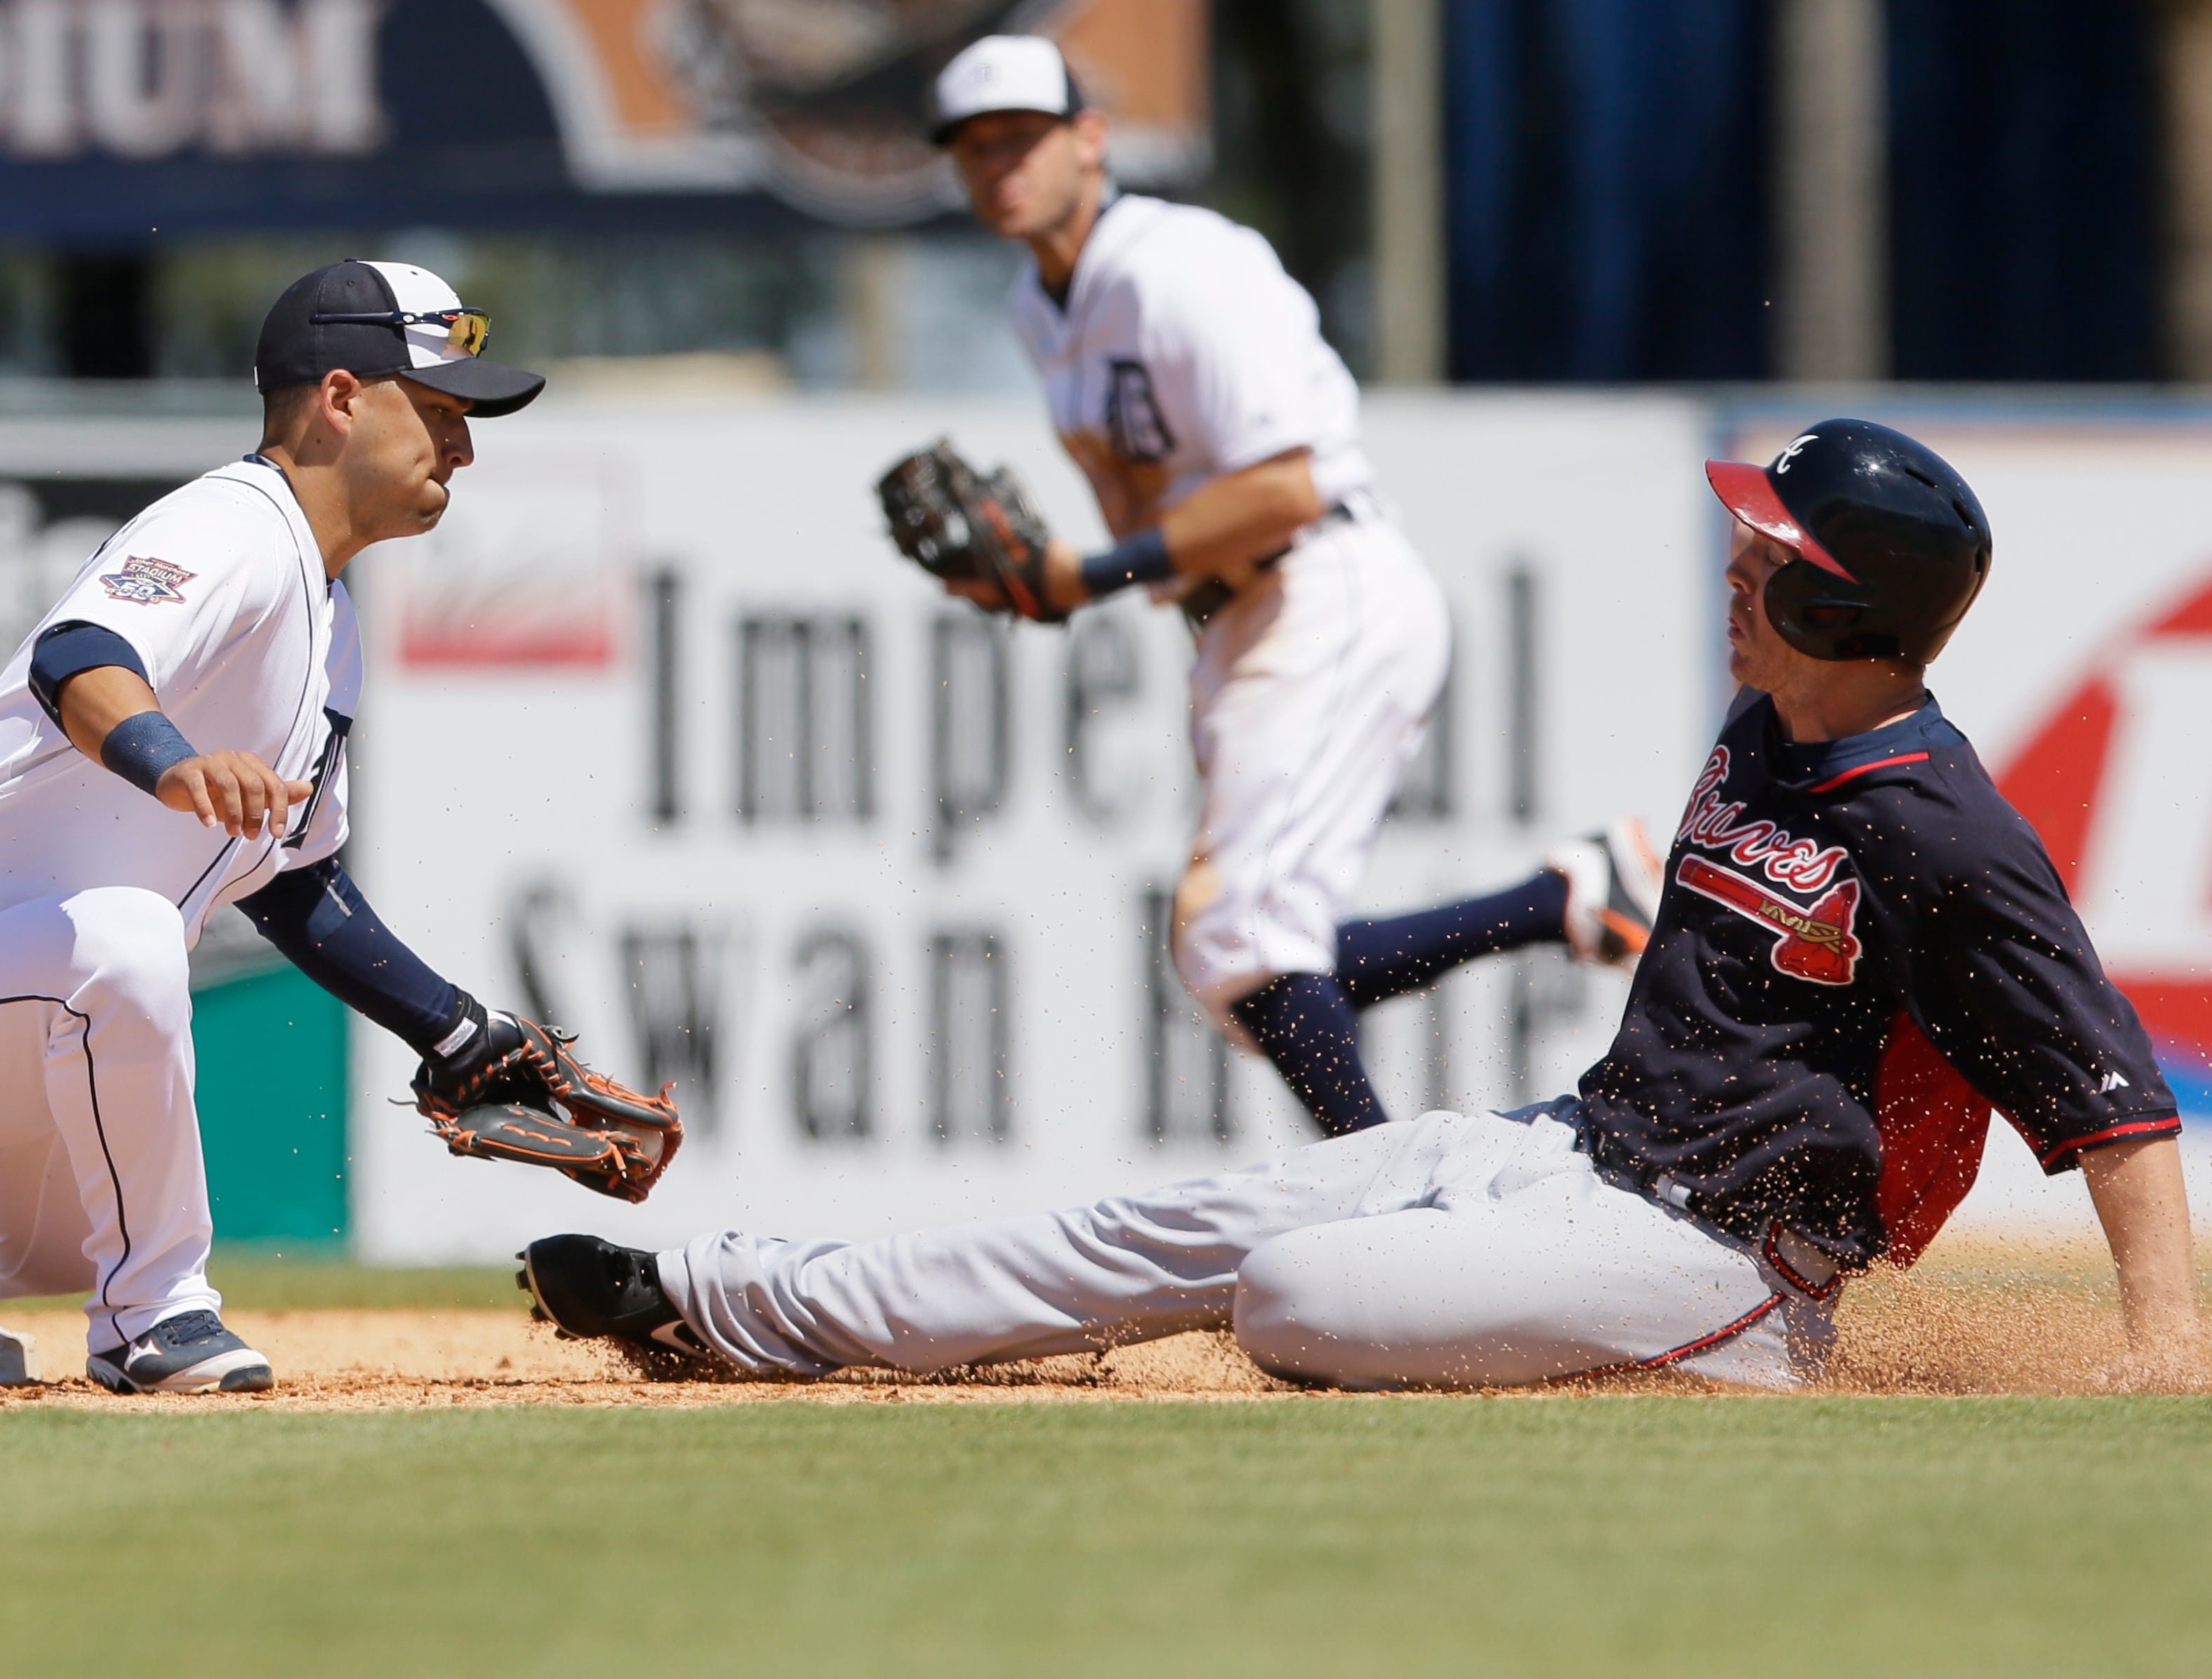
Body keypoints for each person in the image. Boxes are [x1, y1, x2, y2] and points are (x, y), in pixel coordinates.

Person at [521, 419, 2206, 1392]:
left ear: (1844, 601)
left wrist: (2164, 1356)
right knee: (1169, 1224)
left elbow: (2110, 1099)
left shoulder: (1947, 833)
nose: (1732, 569)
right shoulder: (1765, 726)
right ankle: (731, 1301)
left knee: (1294, 1290)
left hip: (1722, 1265)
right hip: (1564, 1150)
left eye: (1766, 556)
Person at [0, 261, 669, 1392]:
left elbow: (294, 882)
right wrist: (172, 759)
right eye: (440, 411)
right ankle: (154, 1316)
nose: (465, 447)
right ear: (342, 396)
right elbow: (78, 655)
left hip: (33, 1001)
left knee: (34, 1241)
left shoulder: (330, 612)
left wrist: (449, 1028)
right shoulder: (234, 523)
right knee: (131, 940)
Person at [898, 35, 1661, 1137]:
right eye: (974, 145)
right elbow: (1163, 509)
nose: (999, 162)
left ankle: (1392, 1206)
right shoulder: (1039, 305)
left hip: (1327, 581)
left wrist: (1088, 573)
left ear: (1091, 139)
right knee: (1239, 966)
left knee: (1239, 937)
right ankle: (1561, 899)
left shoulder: (1179, 266)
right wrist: (1053, 589)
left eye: (1021, 134)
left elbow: (1291, 485)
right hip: (1245, 619)